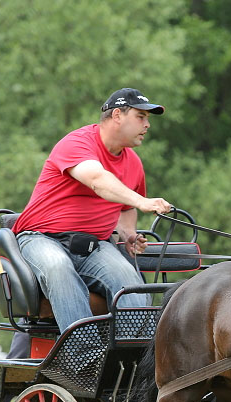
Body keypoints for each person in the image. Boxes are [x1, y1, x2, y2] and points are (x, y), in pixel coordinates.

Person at [11, 88, 174, 333]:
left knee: (129, 279)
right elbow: (98, 180)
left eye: (147, 119)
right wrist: (144, 201)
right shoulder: (77, 142)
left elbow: (125, 208)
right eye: (141, 117)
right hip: (41, 239)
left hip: (94, 246)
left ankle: (134, 359)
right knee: (58, 267)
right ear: (117, 115)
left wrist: (128, 234)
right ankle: (82, 358)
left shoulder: (134, 163)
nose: (147, 125)